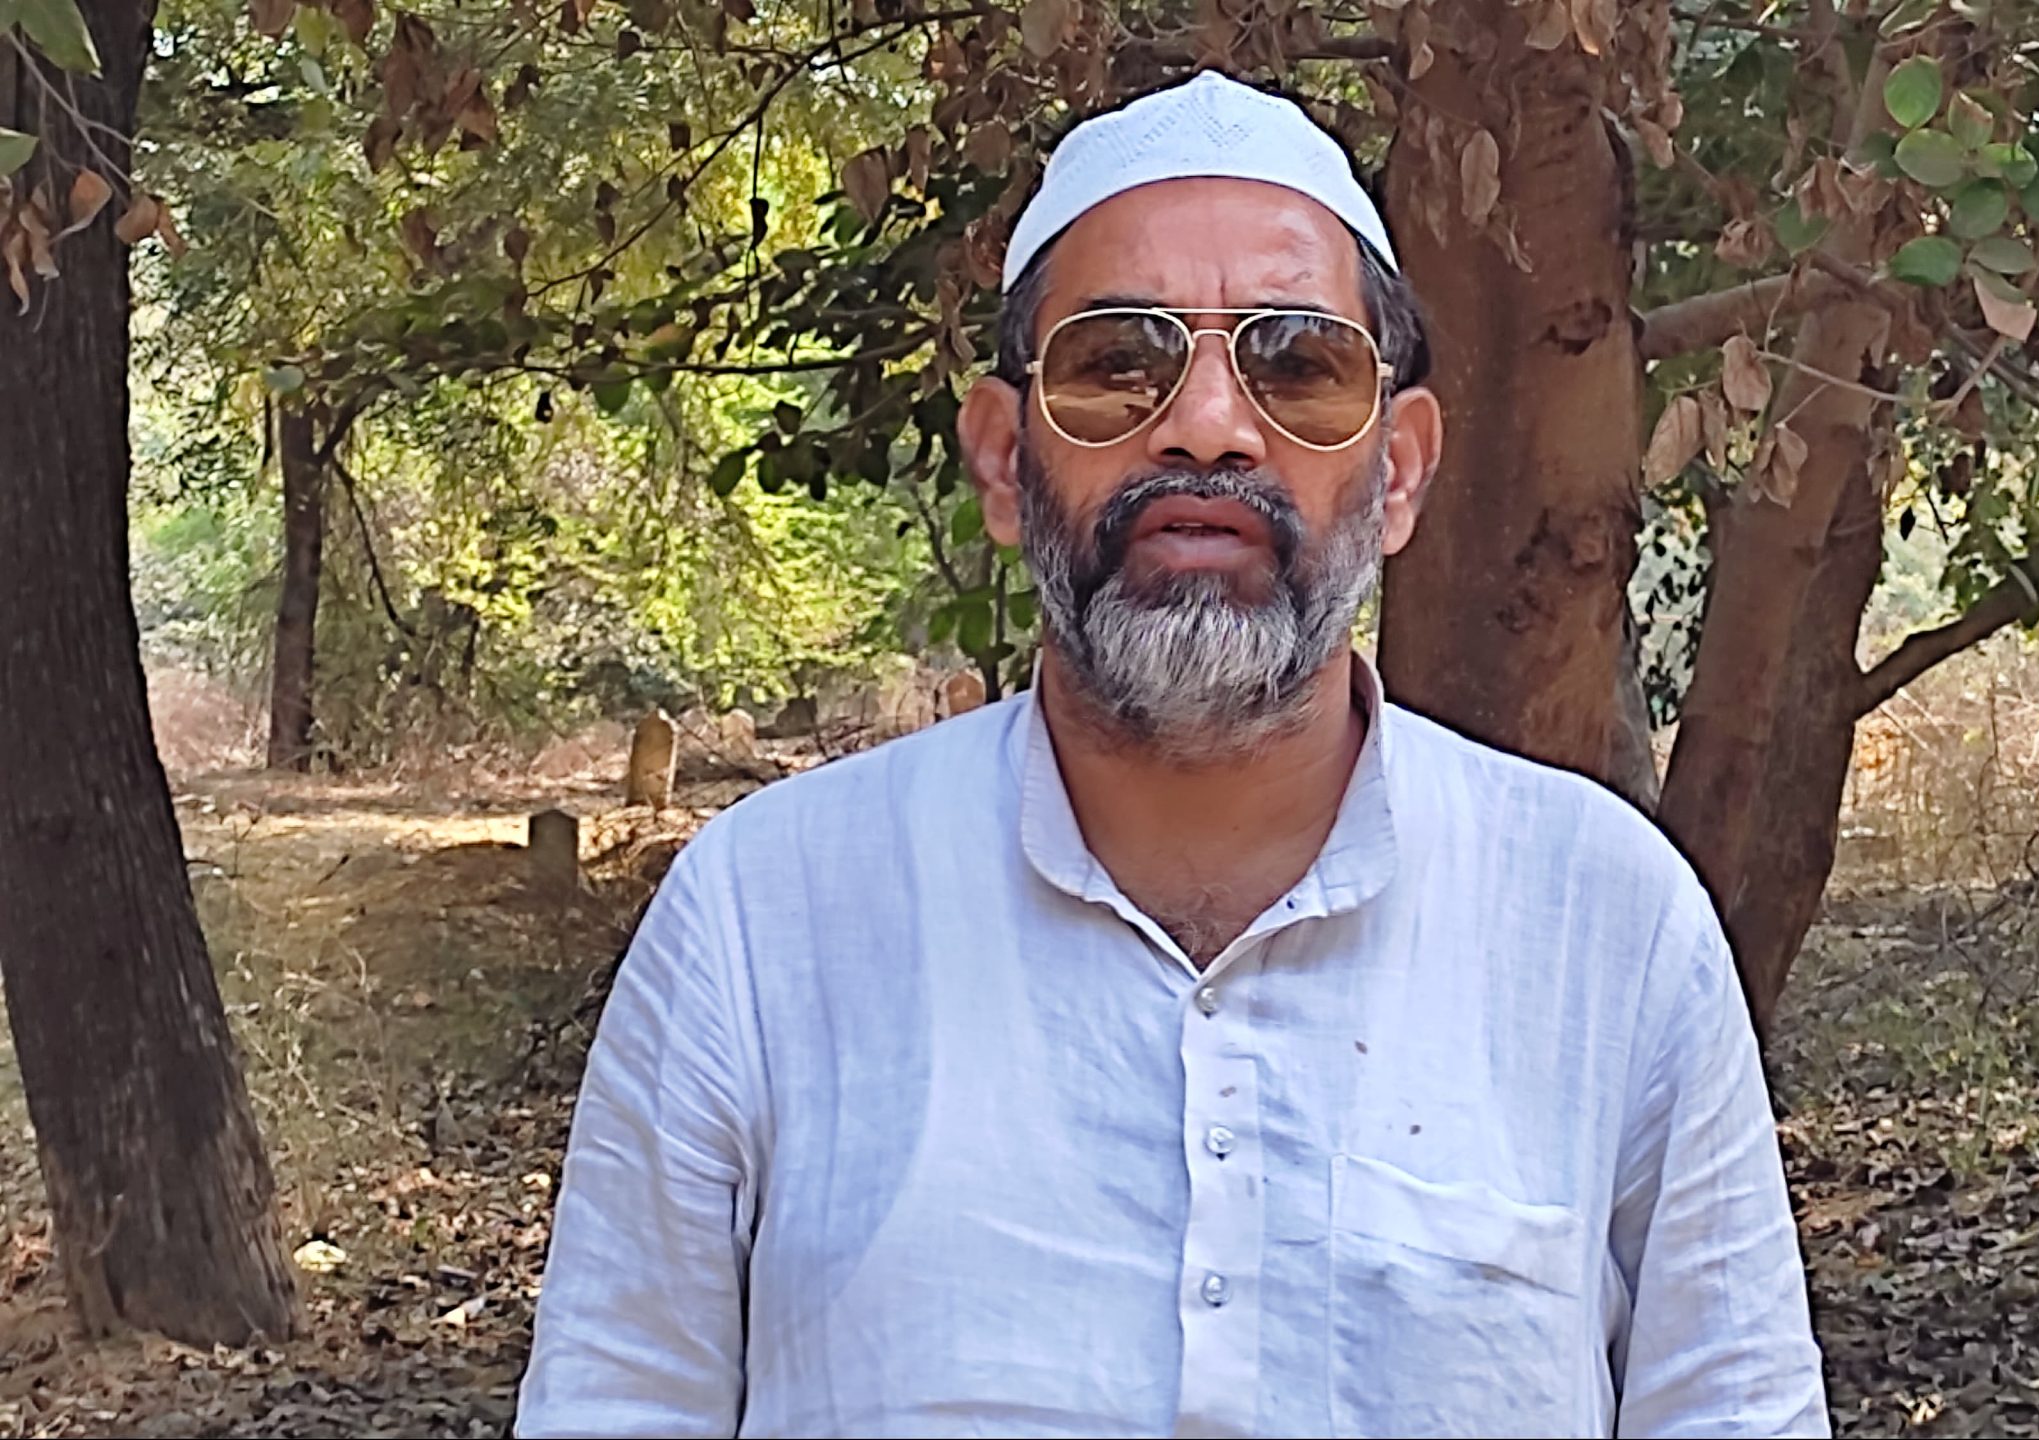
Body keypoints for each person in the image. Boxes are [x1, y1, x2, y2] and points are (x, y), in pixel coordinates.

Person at [517, 69, 1827, 1439]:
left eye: (1299, 367)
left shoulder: (1609, 926)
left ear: (1397, 472)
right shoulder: (759, 924)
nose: (1207, 425)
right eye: (1119, 365)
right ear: (1003, 460)